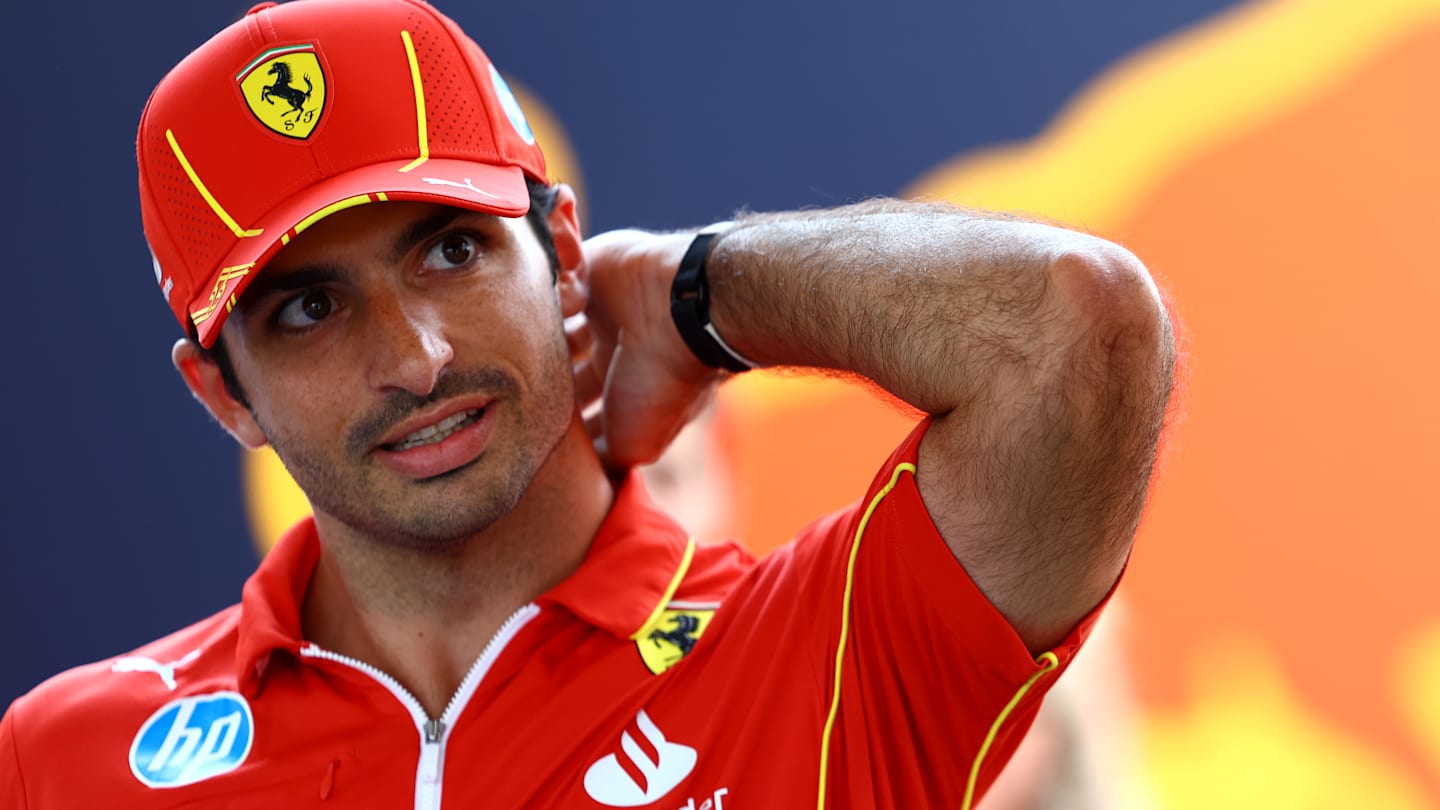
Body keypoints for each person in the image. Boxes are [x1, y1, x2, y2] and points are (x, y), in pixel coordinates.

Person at [0, 0, 1176, 807]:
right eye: (308, 311)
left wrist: (693, 291)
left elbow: (1080, 330)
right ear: (221, 395)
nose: (412, 357)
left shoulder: (821, 657)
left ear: (562, 253)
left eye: (451, 251)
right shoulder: (69, 759)